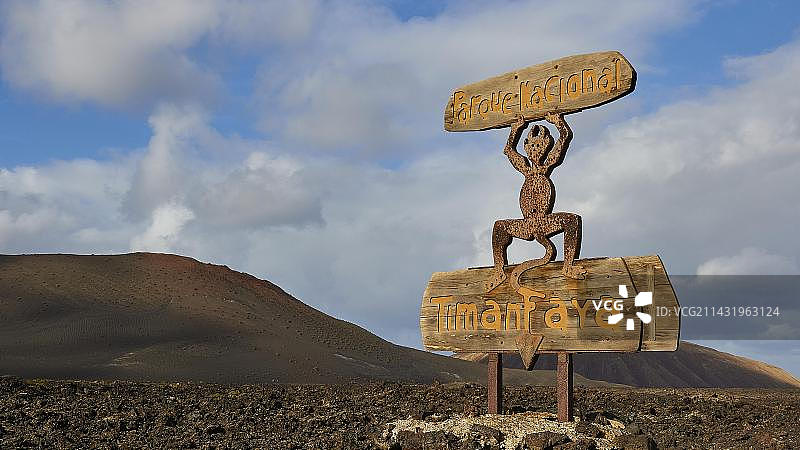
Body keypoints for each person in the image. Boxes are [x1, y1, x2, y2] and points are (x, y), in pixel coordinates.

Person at [487, 112, 585, 291]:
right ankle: (499, 270)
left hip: (545, 221)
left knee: (571, 220)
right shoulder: (524, 168)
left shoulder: (548, 164)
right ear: (526, 147)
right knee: (499, 226)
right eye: (532, 145)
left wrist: (558, 122)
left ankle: (568, 265)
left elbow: (564, 137)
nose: (535, 149)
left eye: (539, 145)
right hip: (526, 223)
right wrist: (515, 130)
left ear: (547, 146)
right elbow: (508, 150)